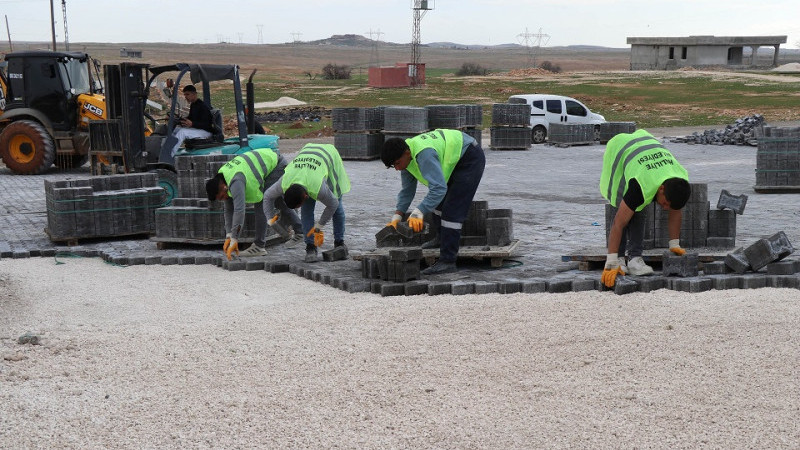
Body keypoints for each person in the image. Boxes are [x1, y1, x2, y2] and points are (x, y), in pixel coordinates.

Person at [381, 129, 485, 275]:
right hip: (454, 160)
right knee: (438, 203)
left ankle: (448, 261)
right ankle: (442, 238)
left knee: (452, 211)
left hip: (469, 157)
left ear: (406, 153)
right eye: (394, 166)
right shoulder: (406, 157)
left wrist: (419, 211)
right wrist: (397, 216)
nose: (397, 168)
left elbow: (438, 189)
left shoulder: (425, 155)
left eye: (398, 163)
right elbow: (407, 191)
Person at [599, 129, 692, 288]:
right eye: (666, 204)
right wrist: (611, 262)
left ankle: (635, 258)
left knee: (640, 207)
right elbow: (618, 224)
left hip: (644, 147)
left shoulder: (679, 181)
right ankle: (619, 258)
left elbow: (675, 211)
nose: (665, 208)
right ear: (661, 189)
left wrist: (674, 244)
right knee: (622, 206)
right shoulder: (640, 184)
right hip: (619, 150)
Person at [205, 148, 302, 260]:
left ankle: (259, 246)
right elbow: (228, 210)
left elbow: (239, 211)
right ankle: (298, 230)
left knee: (262, 203)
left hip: (276, 166)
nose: (224, 199)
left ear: (223, 187)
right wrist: (229, 236)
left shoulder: (235, 181)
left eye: (222, 196)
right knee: (277, 201)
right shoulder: (223, 178)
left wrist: (235, 239)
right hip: (269, 165)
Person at [262, 143, 350, 263]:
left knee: (337, 205)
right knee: (307, 210)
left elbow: (332, 204)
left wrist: (319, 226)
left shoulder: (318, 187)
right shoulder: (284, 182)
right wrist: (271, 220)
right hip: (306, 156)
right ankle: (310, 247)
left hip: (329, 156)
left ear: (305, 195)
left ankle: (339, 244)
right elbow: (267, 196)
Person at [169, 85, 215, 157]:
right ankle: (166, 150)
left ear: (194, 94)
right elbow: (191, 118)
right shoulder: (193, 105)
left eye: (187, 94)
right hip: (198, 129)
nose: (185, 97)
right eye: (185, 95)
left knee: (182, 132)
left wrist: (192, 124)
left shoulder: (202, 106)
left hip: (206, 132)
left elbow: (207, 124)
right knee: (175, 130)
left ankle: (169, 156)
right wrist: (181, 120)